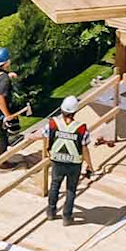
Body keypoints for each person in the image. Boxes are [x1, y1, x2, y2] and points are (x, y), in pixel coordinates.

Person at [44, 96, 96, 225]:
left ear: (61, 109)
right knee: (71, 190)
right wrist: (89, 165)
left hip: (57, 161)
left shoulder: (52, 123)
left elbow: (46, 138)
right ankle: (67, 217)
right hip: (74, 164)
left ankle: (51, 212)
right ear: (75, 111)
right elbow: (84, 149)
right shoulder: (81, 129)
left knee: (55, 185)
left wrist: (47, 151)